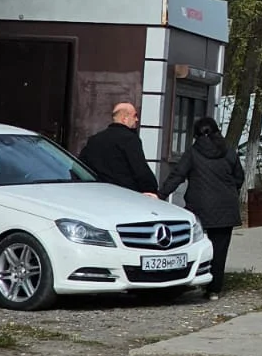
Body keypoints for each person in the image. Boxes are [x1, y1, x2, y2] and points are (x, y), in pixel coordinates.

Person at [160, 117, 244, 302]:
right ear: (217, 131)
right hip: (226, 208)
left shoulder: (193, 152)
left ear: (196, 135)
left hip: (198, 208)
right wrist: (230, 191)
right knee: (220, 249)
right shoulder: (228, 151)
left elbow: (178, 175)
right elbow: (239, 177)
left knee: (191, 244)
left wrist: (160, 195)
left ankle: (187, 280)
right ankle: (214, 289)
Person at [79, 102, 160, 196]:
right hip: (125, 195)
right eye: (135, 115)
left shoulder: (95, 139)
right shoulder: (130, 139)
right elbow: (140, 169)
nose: (137, 119)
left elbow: (81, 166)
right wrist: (151, 189)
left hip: (97, 193)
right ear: (124, 119)